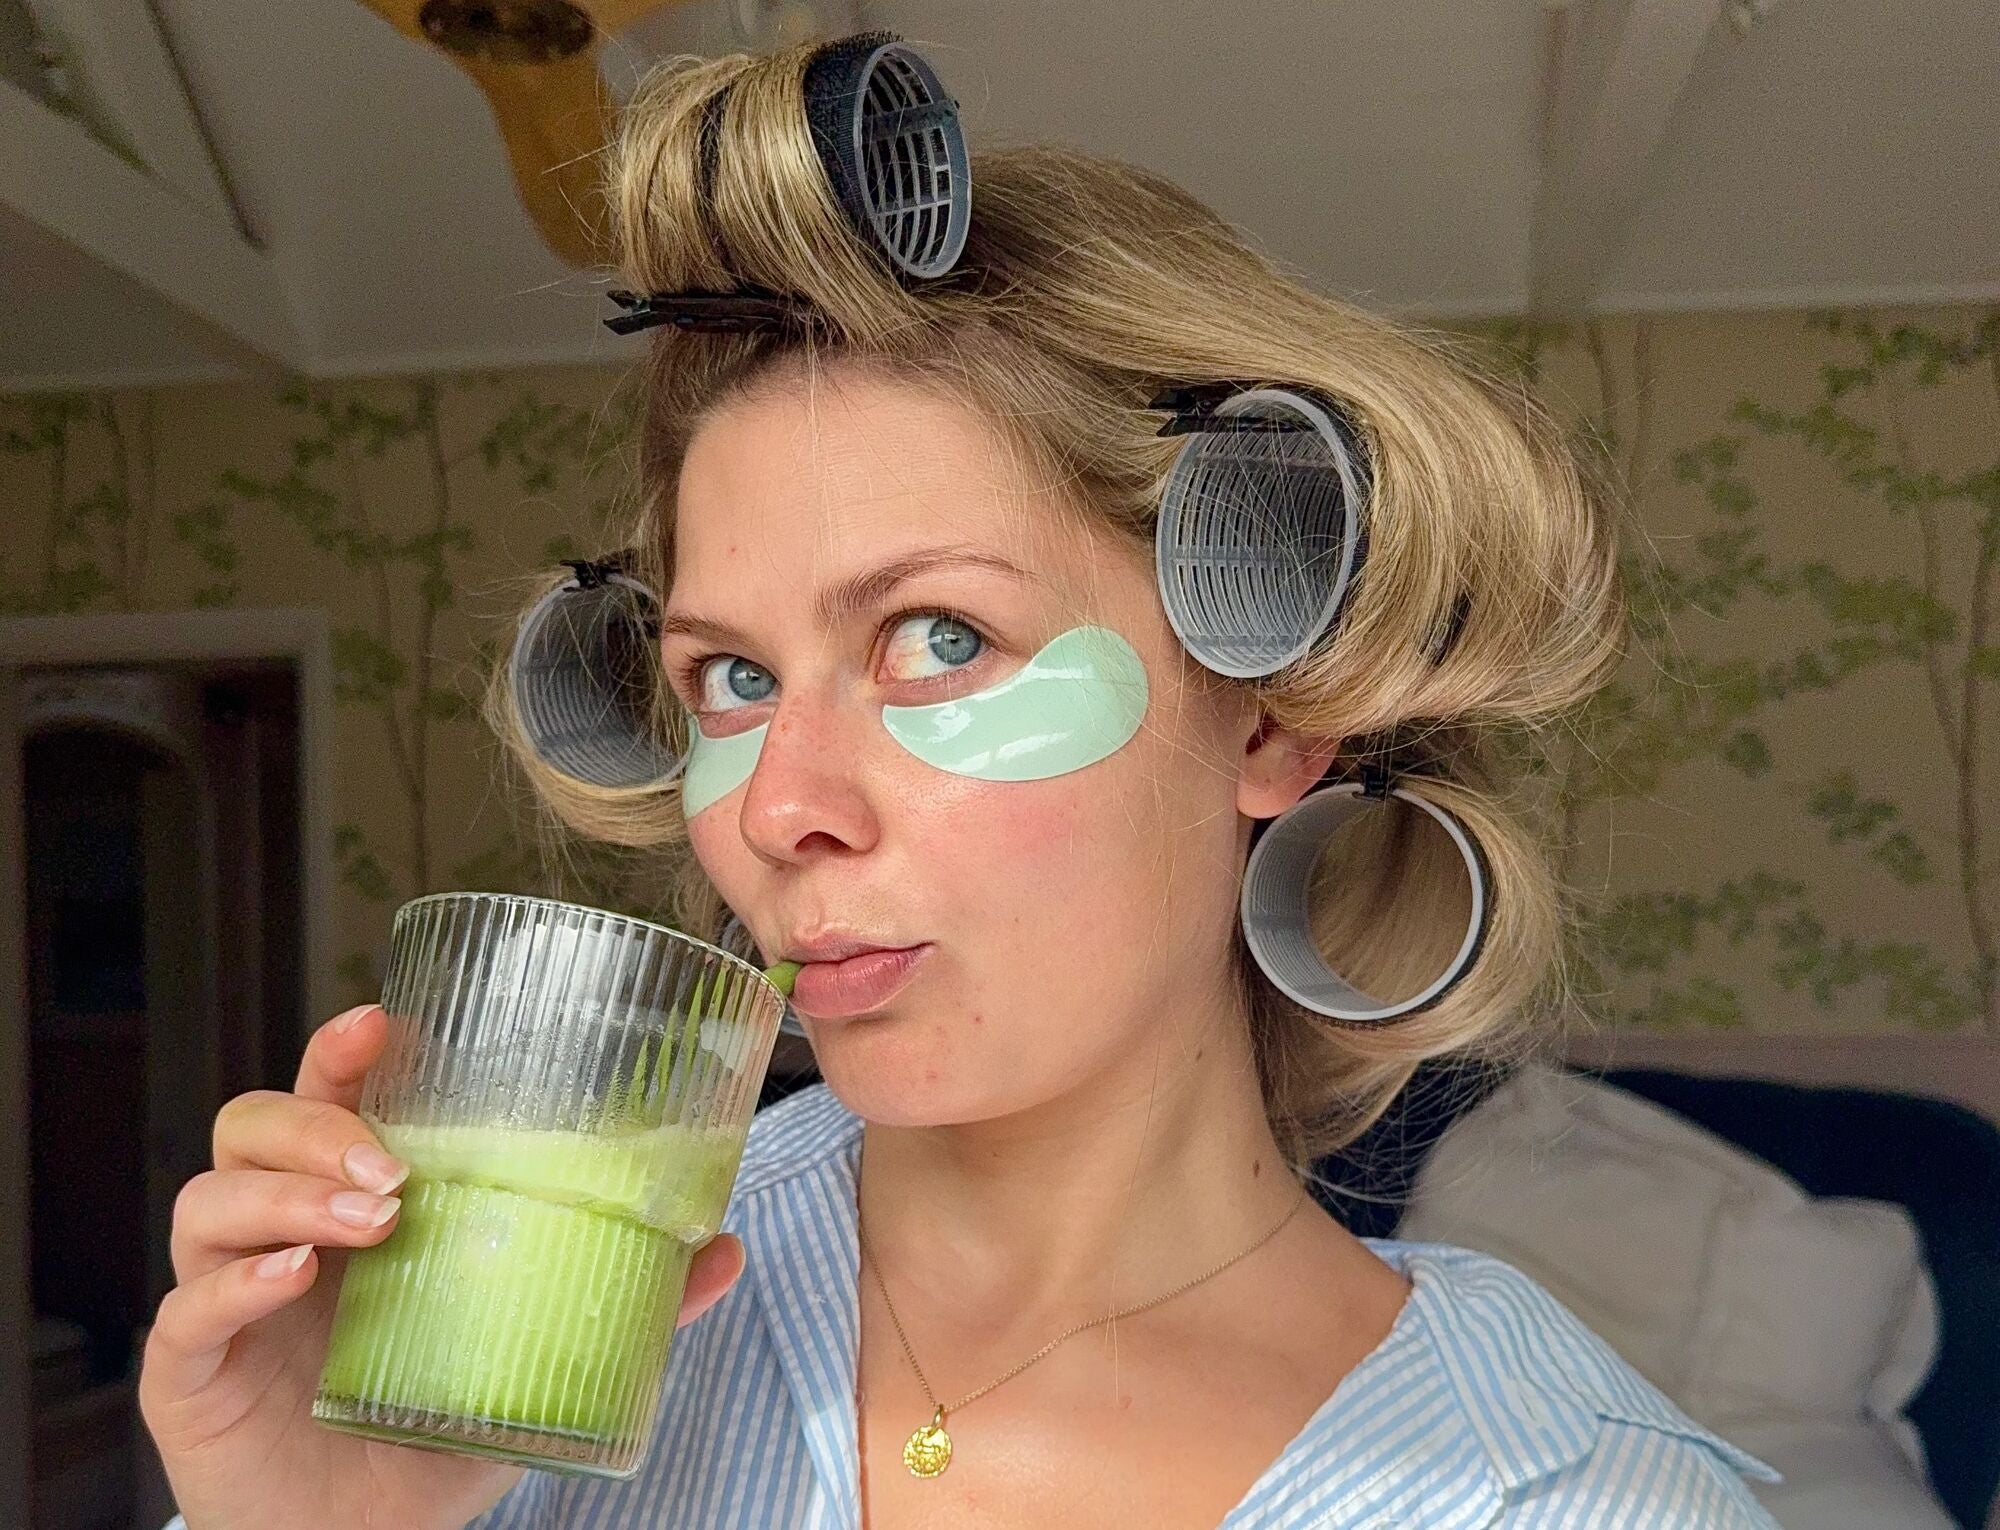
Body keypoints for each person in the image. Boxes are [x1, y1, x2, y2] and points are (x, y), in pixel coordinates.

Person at [140, 33, 1784, 1530]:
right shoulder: (506, 1353)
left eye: (938, 639)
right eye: (732, 677)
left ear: (1273, 716)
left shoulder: (1581, 1500)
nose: (778, 807)